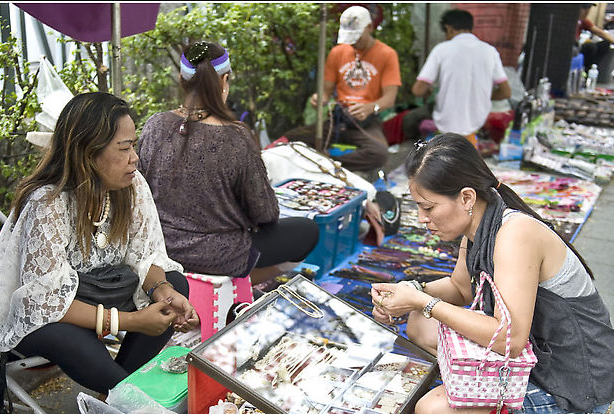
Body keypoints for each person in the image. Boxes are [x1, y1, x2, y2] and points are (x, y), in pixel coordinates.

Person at [370, 134, 614, 414]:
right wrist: (409, 294)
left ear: (467, 198)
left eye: (428, 207)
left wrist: (424, 301)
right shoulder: (481, 223)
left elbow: (510, 338)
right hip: (537, 359)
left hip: (573, 382)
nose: (422, 220)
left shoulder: (514, 234)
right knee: (419, 325)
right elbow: (458, 287)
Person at [0, 92, 199, 395]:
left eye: (133, 145)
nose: (135, 157)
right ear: (88, 153)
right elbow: (46, 302)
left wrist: (165, 293)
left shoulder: (130, 185)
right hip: (46, 315)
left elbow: (144, 256)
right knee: (65, 337)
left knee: (175, 284)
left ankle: (120, 398)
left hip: (99, 294)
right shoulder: (48, 203)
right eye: (125, 148)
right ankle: (131, 401)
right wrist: (132, 321)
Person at [137, 41, 319, 284]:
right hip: (219, 255)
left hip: (161, 247)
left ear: (181, 79)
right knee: (307, 231)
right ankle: (239, 286)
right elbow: (265, 213)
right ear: (224, 81)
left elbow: (139, 192)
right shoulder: (236, 136)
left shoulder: (154, 125)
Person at [283, 5, 401, 175]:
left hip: (367, 120)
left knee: (379, 152)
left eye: (357, 37)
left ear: (370, 27)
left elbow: (389, 99)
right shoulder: (337, 52)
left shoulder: (387, 54)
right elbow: (326, 92)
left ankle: (329, 162)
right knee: (290, 138)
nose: (353, 42)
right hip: (338, 117)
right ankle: (327, 160)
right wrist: (319, 98)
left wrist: (370, 108)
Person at [409, 9, 511, 146]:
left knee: (410, 119)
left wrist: (428, 90)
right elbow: (506, 92)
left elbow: (418, 90)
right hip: (476, 122)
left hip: (446, 122)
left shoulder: (441, 50)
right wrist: (481, 93)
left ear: (448, 28)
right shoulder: (490, 51)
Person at [577, 3, 614, 72]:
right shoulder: (571, 20)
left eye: (588, 9)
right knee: (590, 47)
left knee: (605, 44)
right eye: (584, 8)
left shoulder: (583, 21)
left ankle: (590, 70)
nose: (587, 12)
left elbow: (600, 33)